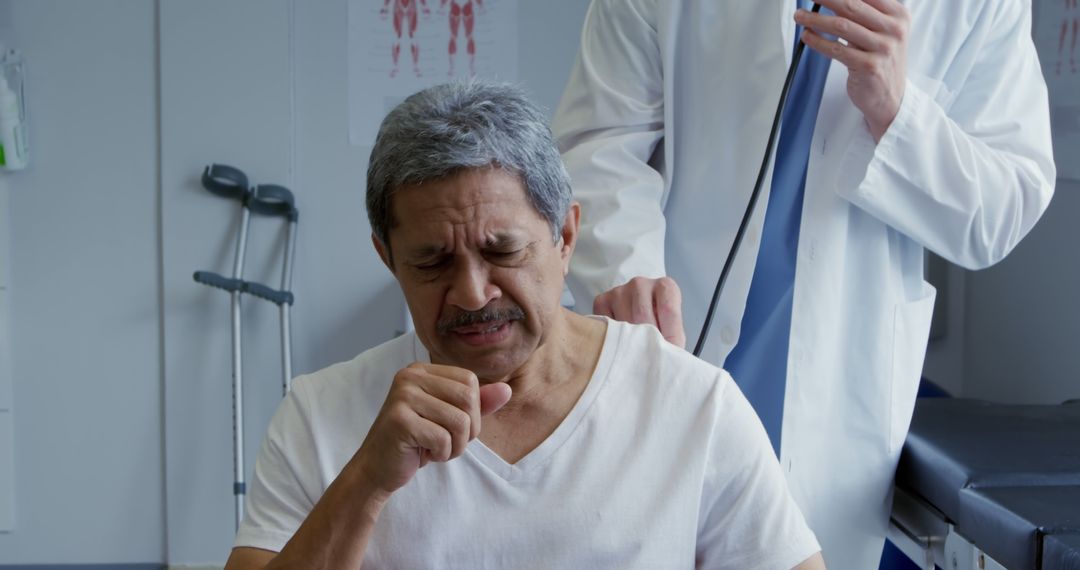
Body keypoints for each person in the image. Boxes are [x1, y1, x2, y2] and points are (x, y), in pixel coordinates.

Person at [224, 81, 826, 569]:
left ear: (565, 237)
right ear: (388, 258)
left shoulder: (692, 405)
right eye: (431, 262)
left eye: (503, 252)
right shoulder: (322, 415)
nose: (472, 292)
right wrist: (366, 484)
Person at [552, 0, 1057, 568]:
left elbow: (1004, 209)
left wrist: (898, 111)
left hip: (839, 384)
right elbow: (599, 144)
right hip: (667, 342)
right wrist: (629, 276)